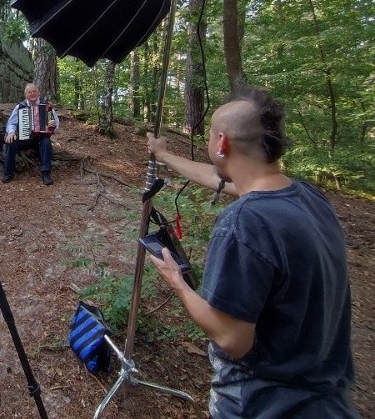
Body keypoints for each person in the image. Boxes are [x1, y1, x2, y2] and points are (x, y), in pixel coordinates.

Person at [146, 86, 358, 419]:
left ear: (221, 143)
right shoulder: (308, 197)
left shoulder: (245, 221)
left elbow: (232, 339)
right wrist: (163, 154)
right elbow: (220, 180)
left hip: (264, 403)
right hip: (328, 399)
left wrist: (178, 282)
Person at [2, 83, 58, 185]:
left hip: (40, 138)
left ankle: (46, 173)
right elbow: (11, 122)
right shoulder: (20, 106)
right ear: (25, 94)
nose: (32, 94)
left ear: (39, 93)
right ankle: (8, 173)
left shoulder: (46, 106)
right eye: (29, 92)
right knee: (10, 141)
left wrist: (53, 124)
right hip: (24, 137)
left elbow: (55, 124)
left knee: (46, 141)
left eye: (34, 91)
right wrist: (11, 132)